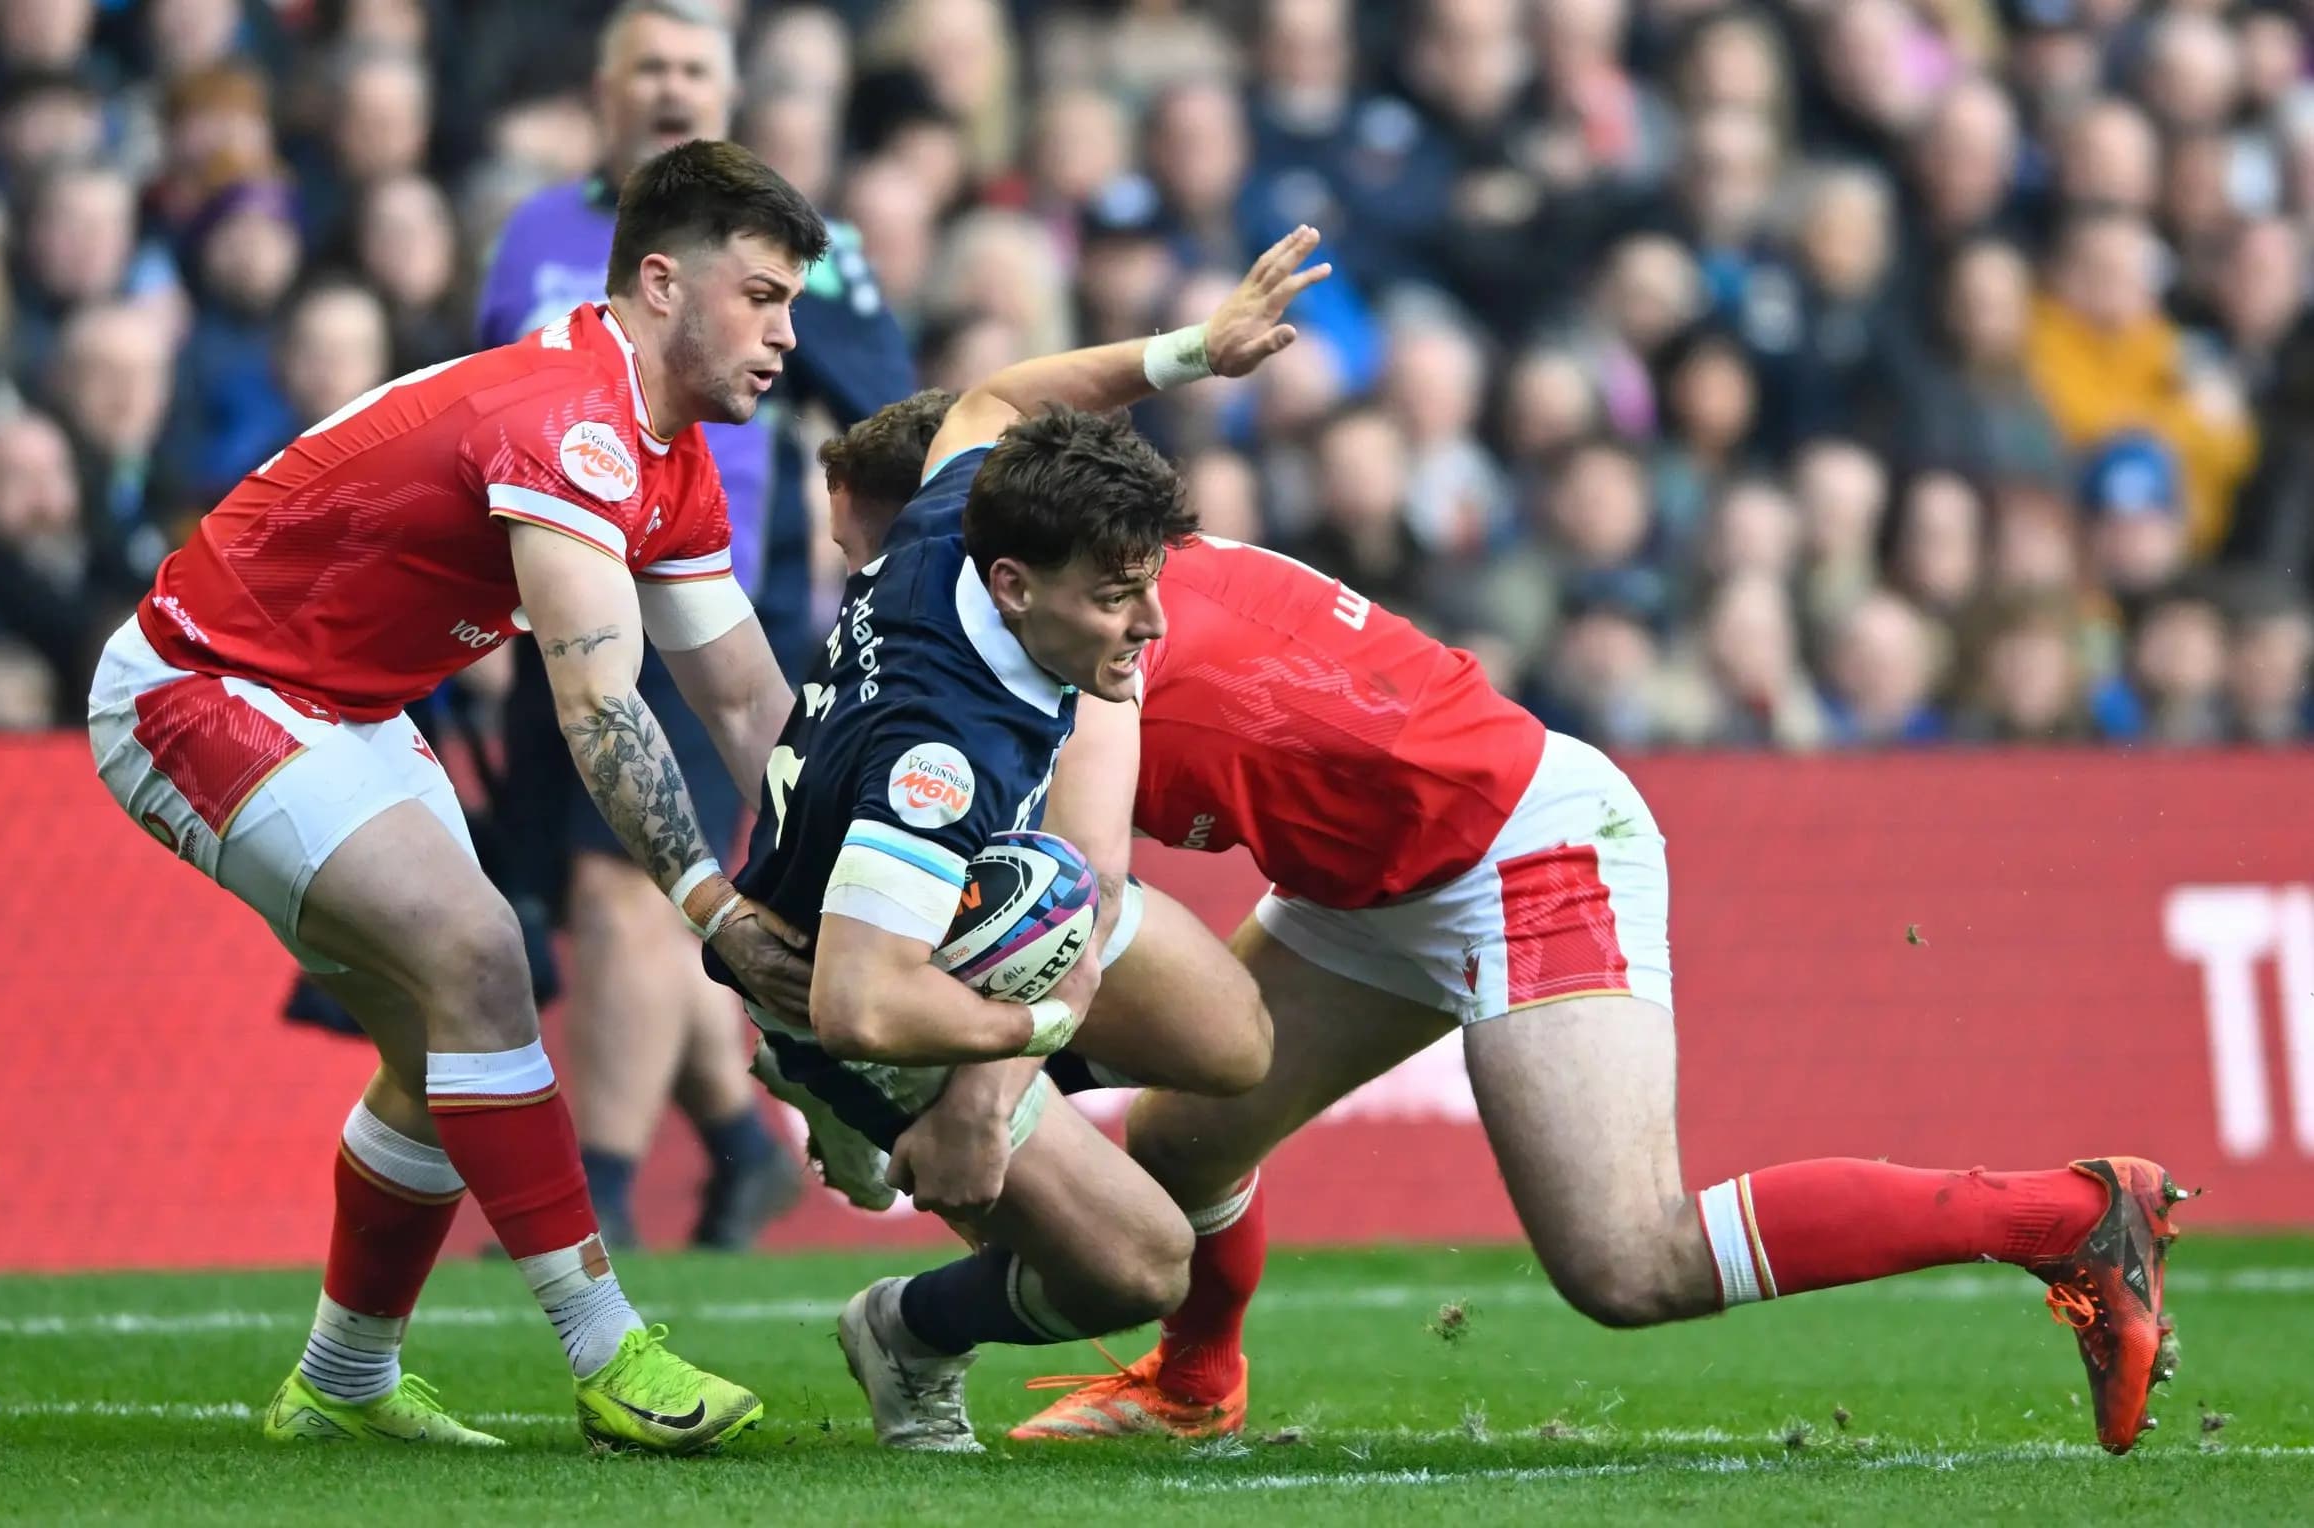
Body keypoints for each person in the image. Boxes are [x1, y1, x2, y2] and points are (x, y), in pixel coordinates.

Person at [812, 327, 2190, 1463]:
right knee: (1175, 1159)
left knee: (1624, 1263)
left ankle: (2065, 1217)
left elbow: (1081, 899)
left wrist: (973, 1097)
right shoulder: (1071, 566)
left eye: (875, 559)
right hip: (1363, 878)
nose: (873, 593)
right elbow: (999, 407)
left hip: (1521, 848)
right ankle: (1192, 1382)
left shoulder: (1092, 650)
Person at [83, 139, 826, 1454]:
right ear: (662, 281)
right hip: (201, 682)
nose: (786, 332)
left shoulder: (668, 447)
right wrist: (715, 906)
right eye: (763, 295)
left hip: (347, 704)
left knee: (449, 1046)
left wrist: (850, 877)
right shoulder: (573, 422)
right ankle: (610, 1357)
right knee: (480, 957)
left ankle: (342, 1384)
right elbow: (600, 707)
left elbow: (747, 708)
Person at [702, 230, 1328, 1453]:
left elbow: (995, 396)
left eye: (1149, 584)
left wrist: (1194, 350)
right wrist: (1013, 1048)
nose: (1150, 625)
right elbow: (862, 1002)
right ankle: (907, 1325)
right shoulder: (940, 759)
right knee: (1143, 1265)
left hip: (965, 910)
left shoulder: (953, 515)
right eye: (1114, 597)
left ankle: (990, 1119)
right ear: (1014, 589)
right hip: (867, 963)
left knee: (1235, 1039)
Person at [476, 0, 915, 1250]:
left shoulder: (774, 242)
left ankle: (598, 1194)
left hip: (707, 583)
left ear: (724, 95)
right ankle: (734, 1134)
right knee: (585, 893)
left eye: (694, 69)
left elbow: (890, 401)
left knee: (626, 890)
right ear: (605, 91)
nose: (670, 87)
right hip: (542, 590)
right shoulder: (530, 232)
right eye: (648, 67)